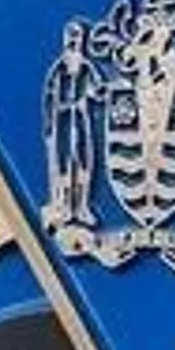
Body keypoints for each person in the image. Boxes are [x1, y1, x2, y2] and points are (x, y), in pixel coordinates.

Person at [42, 19, 100, 227]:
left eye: (77, 38)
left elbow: (98, 90)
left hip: (81, 117)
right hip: (63, 120)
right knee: (63, 164)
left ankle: (83, 206)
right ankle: (64, 206)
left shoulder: (86, 67)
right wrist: (49, 122)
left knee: (84, 161)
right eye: (71, 39)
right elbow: (48, 97)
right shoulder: (58, 69)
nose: (74, 43)